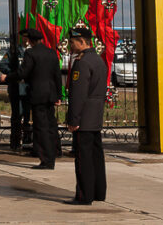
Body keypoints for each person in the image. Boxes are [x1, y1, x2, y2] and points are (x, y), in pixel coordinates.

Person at [63, 27, 107, 206]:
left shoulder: (82, 63)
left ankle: (84, 195)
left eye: (72, 43)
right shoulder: (98, 60)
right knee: (96, 157)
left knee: (83, 159)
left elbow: (78, 95)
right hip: (95, 117)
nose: (70, 46)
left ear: (82, 42)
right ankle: (98, 192)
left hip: (84, 119)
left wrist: (73, 119)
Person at [9, 28, 62, 169]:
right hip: (50, 94)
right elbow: (57, 75)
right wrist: (59, 95)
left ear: (30, 40)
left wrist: (7, 77)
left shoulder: (30, 53)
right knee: (51, 125)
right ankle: (56, 150)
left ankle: (46, 160)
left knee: (41, 128)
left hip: (38, 95)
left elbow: (23, 72)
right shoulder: (51, 52)